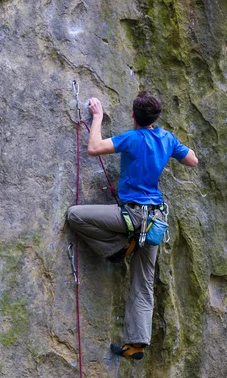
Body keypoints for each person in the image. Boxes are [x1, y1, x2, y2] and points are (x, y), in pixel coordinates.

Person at [66, 91, 198, 360]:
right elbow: (192, 160)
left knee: (75, 216)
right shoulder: (167, 138)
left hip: (132, 217)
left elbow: (94, 148)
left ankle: (117, 248)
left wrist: (98, 116)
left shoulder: (132, 138)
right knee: (144, 282)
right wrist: (172, 147)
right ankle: (136, 344)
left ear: (133, 115)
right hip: (155, 221)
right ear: (155, 118)